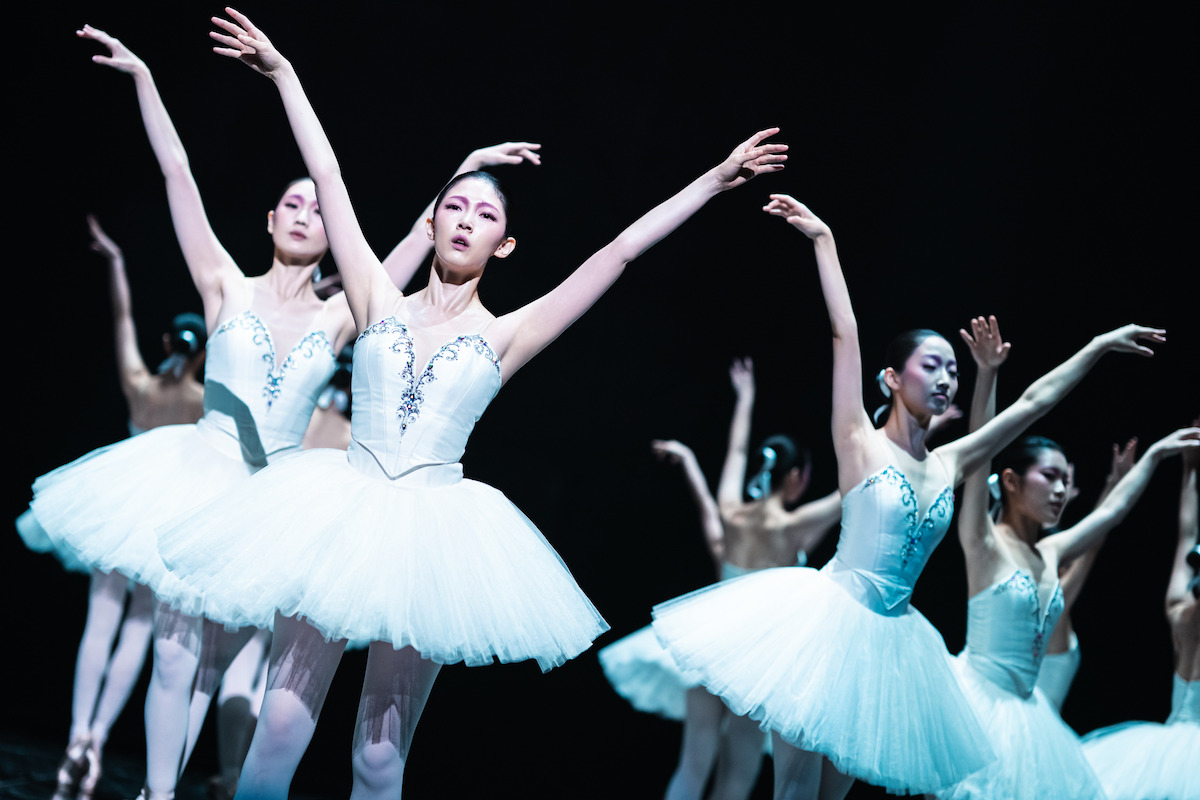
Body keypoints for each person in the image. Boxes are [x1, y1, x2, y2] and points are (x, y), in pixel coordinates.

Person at [154, 9, 786, 798]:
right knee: (280, 725)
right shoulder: (376, 296)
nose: (466, 220)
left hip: (432, 535)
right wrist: (285, 73)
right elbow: (333, 181)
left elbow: (619, 252)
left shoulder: (509, 334)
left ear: (504, 246)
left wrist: (716, 178)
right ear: (433, 219)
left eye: (487, 215)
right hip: (336, 513)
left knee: (379, 758)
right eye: (455, 206)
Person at [32, 23, 541, 800]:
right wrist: (144, 78)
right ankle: (152, 788)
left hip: (284, 500)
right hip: (206, 482)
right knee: (173, 649)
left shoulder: (346, 315)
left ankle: (230, 781)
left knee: (253, 686)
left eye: (313, 208)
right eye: (289, 204)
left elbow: (415, 228)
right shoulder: (225, 287)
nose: (305, 213)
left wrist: (465, 173)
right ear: (269, 220)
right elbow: (177, 174)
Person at [652, 193, 1172, 799]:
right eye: (932, 366)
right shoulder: (857, 440)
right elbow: (844, 332)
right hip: (825, 624)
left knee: (832, 794)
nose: (947, 378)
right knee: (792, 788)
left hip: (889, 648)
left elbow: (1033, 405)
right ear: (893, 379)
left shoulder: (951, 462)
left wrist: (1098, 347)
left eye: (952, 369)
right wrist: (825, 240)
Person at [935, 316, 1198, 799]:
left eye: (1064, 481)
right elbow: (985, 441)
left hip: (1028, 720)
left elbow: (1112, 514)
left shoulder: (1052, 550)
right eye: (1050, 478)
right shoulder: (982, 540)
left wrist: (1157, 455)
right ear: (1011, 481)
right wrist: (989, 374)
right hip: (977, 706)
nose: (1061, 490)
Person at [22, 215, 205, 800]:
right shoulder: (199, 397)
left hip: (126, 502)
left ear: (168, 346)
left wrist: (118, 263)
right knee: (133, 629)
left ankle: (82, 738)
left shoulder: (141, 382)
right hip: (156, 509)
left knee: (105, 624)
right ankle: (93, 737)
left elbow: (124, 321)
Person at [600, 358, 840, 800]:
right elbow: (855, 489)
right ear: (795, 476)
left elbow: (733, 456)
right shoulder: (793, 526)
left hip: (709, 651)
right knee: (737, 778)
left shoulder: (730, 511)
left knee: (692, 769)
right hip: (755, 662)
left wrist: (743, 400)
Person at [1080, 424, 1200, 800]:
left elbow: (1187, 533)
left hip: (1167, 752)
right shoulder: (1183, 612)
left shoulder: (1181, 609)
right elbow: (1188, 535)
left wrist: (1190, 468)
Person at [1034, 436, 1137, 713]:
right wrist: (1113, 485)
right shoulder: (1055, 604)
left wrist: (1113, 484)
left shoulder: (1051, 609)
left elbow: (1085, 546)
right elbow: (1091, 546)